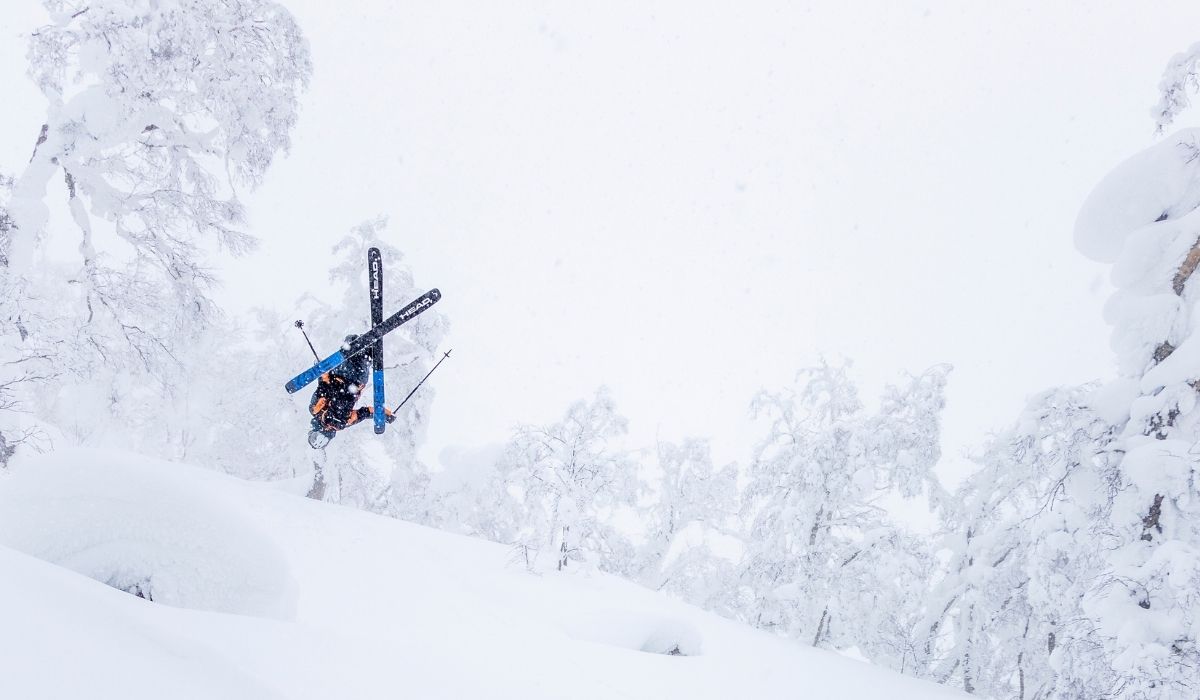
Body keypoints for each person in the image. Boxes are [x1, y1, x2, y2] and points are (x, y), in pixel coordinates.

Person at [309, 335, 394, 439]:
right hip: (353, 379)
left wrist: (322, 372)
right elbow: (366, 412)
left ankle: (361, 346)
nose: (329, 427)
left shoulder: (317, 410)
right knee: (361, 354)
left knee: (354, 349)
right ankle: (366, 349)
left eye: (327, 425)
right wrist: (386, 415)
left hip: (343, 376)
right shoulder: (344, 422)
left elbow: (322, 388)